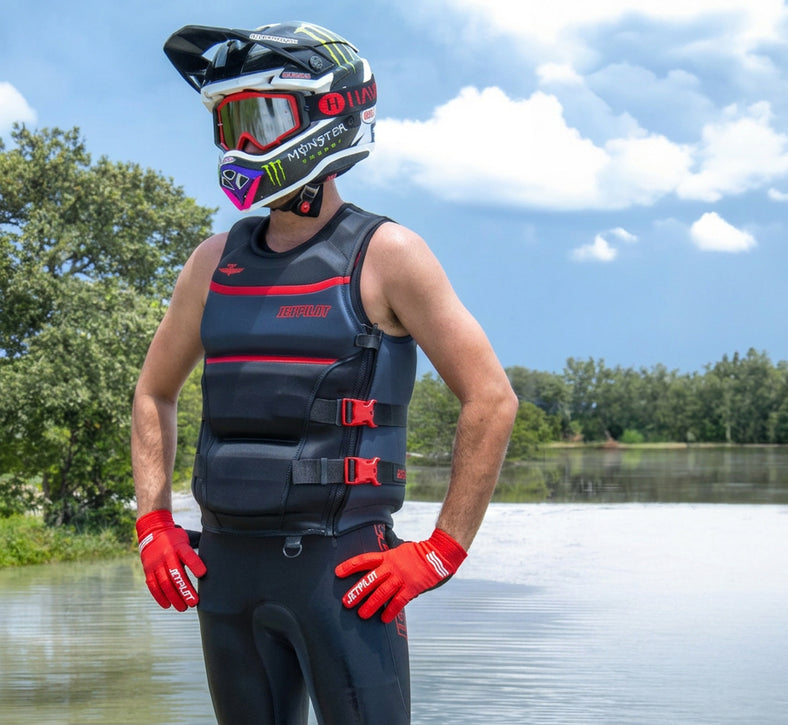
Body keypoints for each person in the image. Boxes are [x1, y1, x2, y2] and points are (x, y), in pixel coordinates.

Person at [132, 21, 518, 725]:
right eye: (230, 122)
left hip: (342, 573)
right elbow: (154, 392)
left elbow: (491, 399)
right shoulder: (212, 262)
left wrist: (441, 551)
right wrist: (154, 522)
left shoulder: (390, 254)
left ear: (330, 112)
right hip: (226, 571)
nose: (242, 143)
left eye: (261, 118)